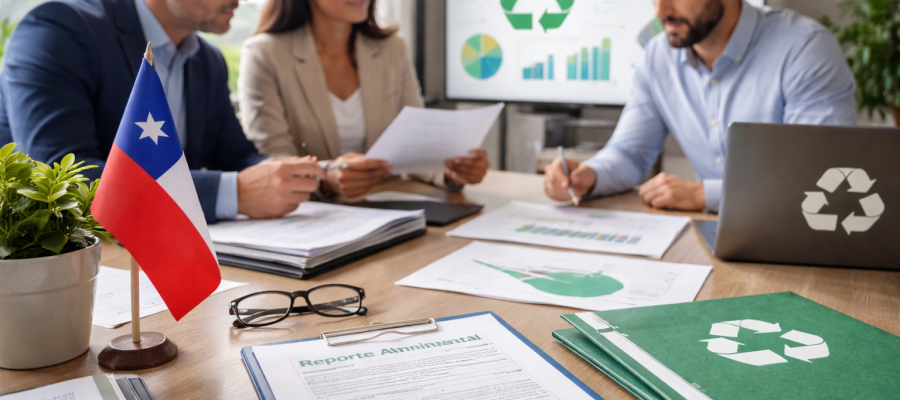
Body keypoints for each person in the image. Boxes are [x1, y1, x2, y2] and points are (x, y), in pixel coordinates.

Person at [0, 0, 325, 223]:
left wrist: (301, 174)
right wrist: (232, 194)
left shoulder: (207, 60)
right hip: (69, 269)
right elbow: (60, 176)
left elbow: (235, 157)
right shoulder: (59, 30)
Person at [544, 0, 856, 212]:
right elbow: (630, 153)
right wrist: (590, 176)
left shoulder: (805, 48)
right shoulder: (658, 55)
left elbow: (820, 176)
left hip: (797, 237)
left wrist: (705, 194)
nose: (661, 11)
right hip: (711, 237)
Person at [239, 0, 489, 198]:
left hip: (391, 206)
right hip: (313, 218)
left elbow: (415, 144)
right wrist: (327, 179)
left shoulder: (392, 49)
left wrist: (450, 171)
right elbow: (272, 158)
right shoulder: (264, 54)